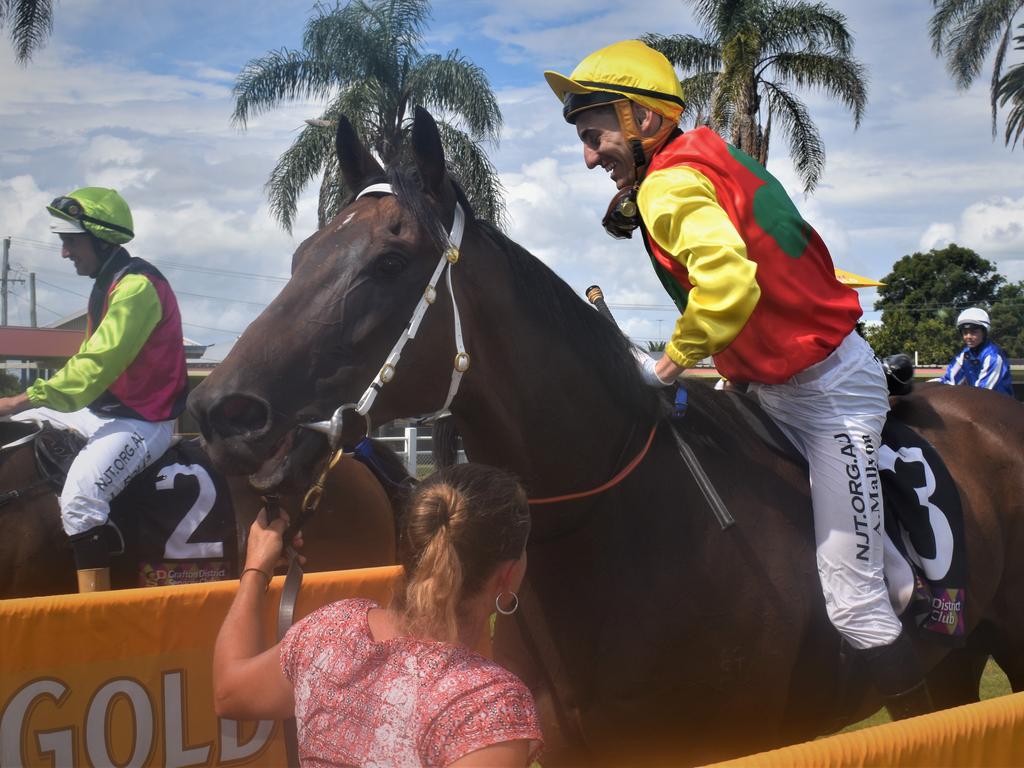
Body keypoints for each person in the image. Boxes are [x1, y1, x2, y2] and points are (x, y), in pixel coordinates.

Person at [545, 40, 932, 718]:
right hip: (766, 386)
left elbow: (727, 284)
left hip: (828, 396)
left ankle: (937, 741)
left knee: (856, 605)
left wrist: (664, 368)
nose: (588, 155)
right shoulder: (697, 155)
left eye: (593, 135)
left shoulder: (667, 184)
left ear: (640, 120)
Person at [213, 463, 543, 767]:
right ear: (508, 576)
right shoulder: (488, 707)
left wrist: (255, 570)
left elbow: (229, 693)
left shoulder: (331, 629)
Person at [0, 187, 187, 592]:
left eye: (71, 241)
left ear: (101, 239)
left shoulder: (137, 287)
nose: (65, 253)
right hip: (103, 412)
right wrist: (20, 408)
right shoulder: (109, 281)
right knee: (15, 427)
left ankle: (96, 614)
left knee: (81, 501)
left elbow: (95, 365)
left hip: (144, 421)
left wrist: (21, 397)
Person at [936, 307, 1015, 397]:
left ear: (984, 332)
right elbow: (949, 381)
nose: (968, 336)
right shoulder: (964, 355)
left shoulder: (993, 356)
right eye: (965, 332)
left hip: (1000, 407)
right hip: (978, 402)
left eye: (974, 332)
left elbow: (982, 391)